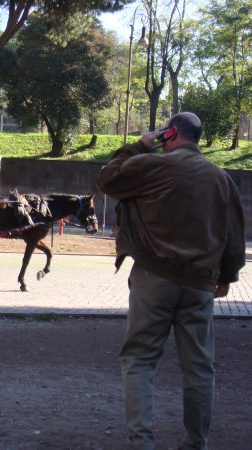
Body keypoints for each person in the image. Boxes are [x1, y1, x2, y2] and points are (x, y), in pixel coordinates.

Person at [95, 112, 245, 450]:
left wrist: (139, 145)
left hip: (153, 277)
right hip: (200, 284)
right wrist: (227, 277)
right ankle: (195, 444)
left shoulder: (155, 166)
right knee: (199, 368)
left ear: (171, 133)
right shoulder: (222, 179)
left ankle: (142, 442)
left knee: (139, 359)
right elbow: (235, 236)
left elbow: (107, 179)